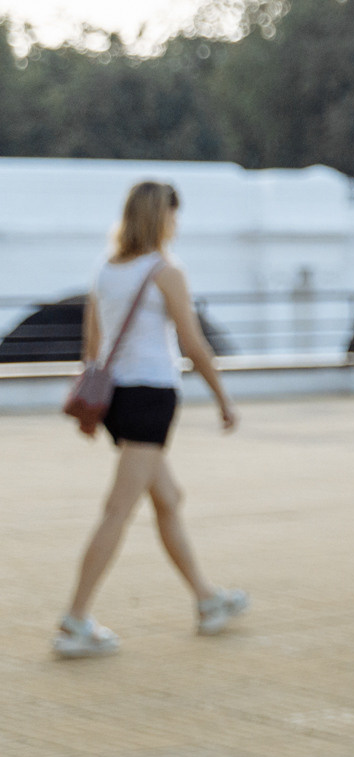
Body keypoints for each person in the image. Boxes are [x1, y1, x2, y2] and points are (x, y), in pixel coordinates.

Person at [56, 180, 248, 658]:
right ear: (160, 218)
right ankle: (74, 621)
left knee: (168, 498)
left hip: (117, 400)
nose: (176, 225)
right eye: (173, 216)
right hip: (150, 396)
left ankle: (206, 600)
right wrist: (223, 398)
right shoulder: (166, 271)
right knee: (117, 509)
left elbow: (91, 349)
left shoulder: (104, 270)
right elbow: (193, 343)